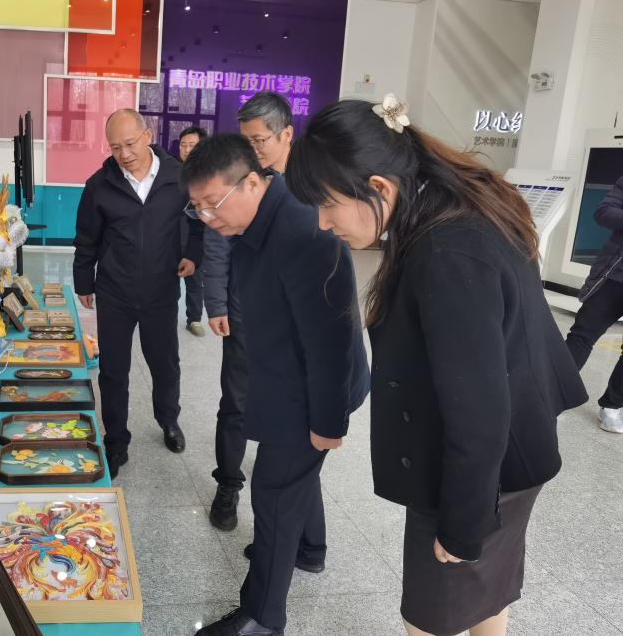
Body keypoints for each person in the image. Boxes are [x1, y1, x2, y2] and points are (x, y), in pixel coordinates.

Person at [285, 95, 587, 636]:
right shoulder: (450, 207)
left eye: (329, 204)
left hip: (478, 474)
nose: (324, 223)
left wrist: (463, 524)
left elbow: (480, 413)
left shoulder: (446, 249)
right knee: (485, 594)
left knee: (427, 617)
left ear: (380, 187)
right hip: (507, 457)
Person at [183, 134, 369, 636]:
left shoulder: (303, 229)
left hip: (312, 390)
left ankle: (263, 618)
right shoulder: (257, 218)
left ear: (251, 182)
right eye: (197, 208)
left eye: (213, 204)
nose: (207, 218)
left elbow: (331, 342)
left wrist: (327, 423)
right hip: (284, 372)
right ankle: (309, 549)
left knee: (274, 493)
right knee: (296, 478)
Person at [73, 109, 203, 480]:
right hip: (114, 291)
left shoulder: (179, 177)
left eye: (130, 144)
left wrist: (193, 255)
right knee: (114, 370)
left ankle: (169, 420)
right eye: (115, 147)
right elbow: (87, 237)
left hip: (162, 289)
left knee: (165, 363)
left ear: (148, 135)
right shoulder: (100, 185)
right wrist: (83, 281)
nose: (124, 154)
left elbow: (200, 221)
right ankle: (116, 440)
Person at [203, 92, 295, 534]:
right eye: (246, 140)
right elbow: (217, 240)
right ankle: (228, 485)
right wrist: (217, 302)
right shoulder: (237, 175)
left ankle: (296, 512)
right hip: (245, 312)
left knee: (293, 411)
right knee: (236, 402)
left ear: (286, 134)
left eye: (260, 141)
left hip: (294, 318)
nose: (252, 150)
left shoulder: (312, 183)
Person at [565, 174, 623, 433]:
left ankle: (613, 406)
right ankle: (550, 394)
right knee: (581, 336)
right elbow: (604, 212)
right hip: (613, 276)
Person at [179, 126, 209, 337]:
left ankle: (195, 319)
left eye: (192, 145)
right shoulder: (171, 173)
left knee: (195, 281)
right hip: (171, 237)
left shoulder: (208, 177)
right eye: (183, 145)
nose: (187, 149)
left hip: (196, 236)